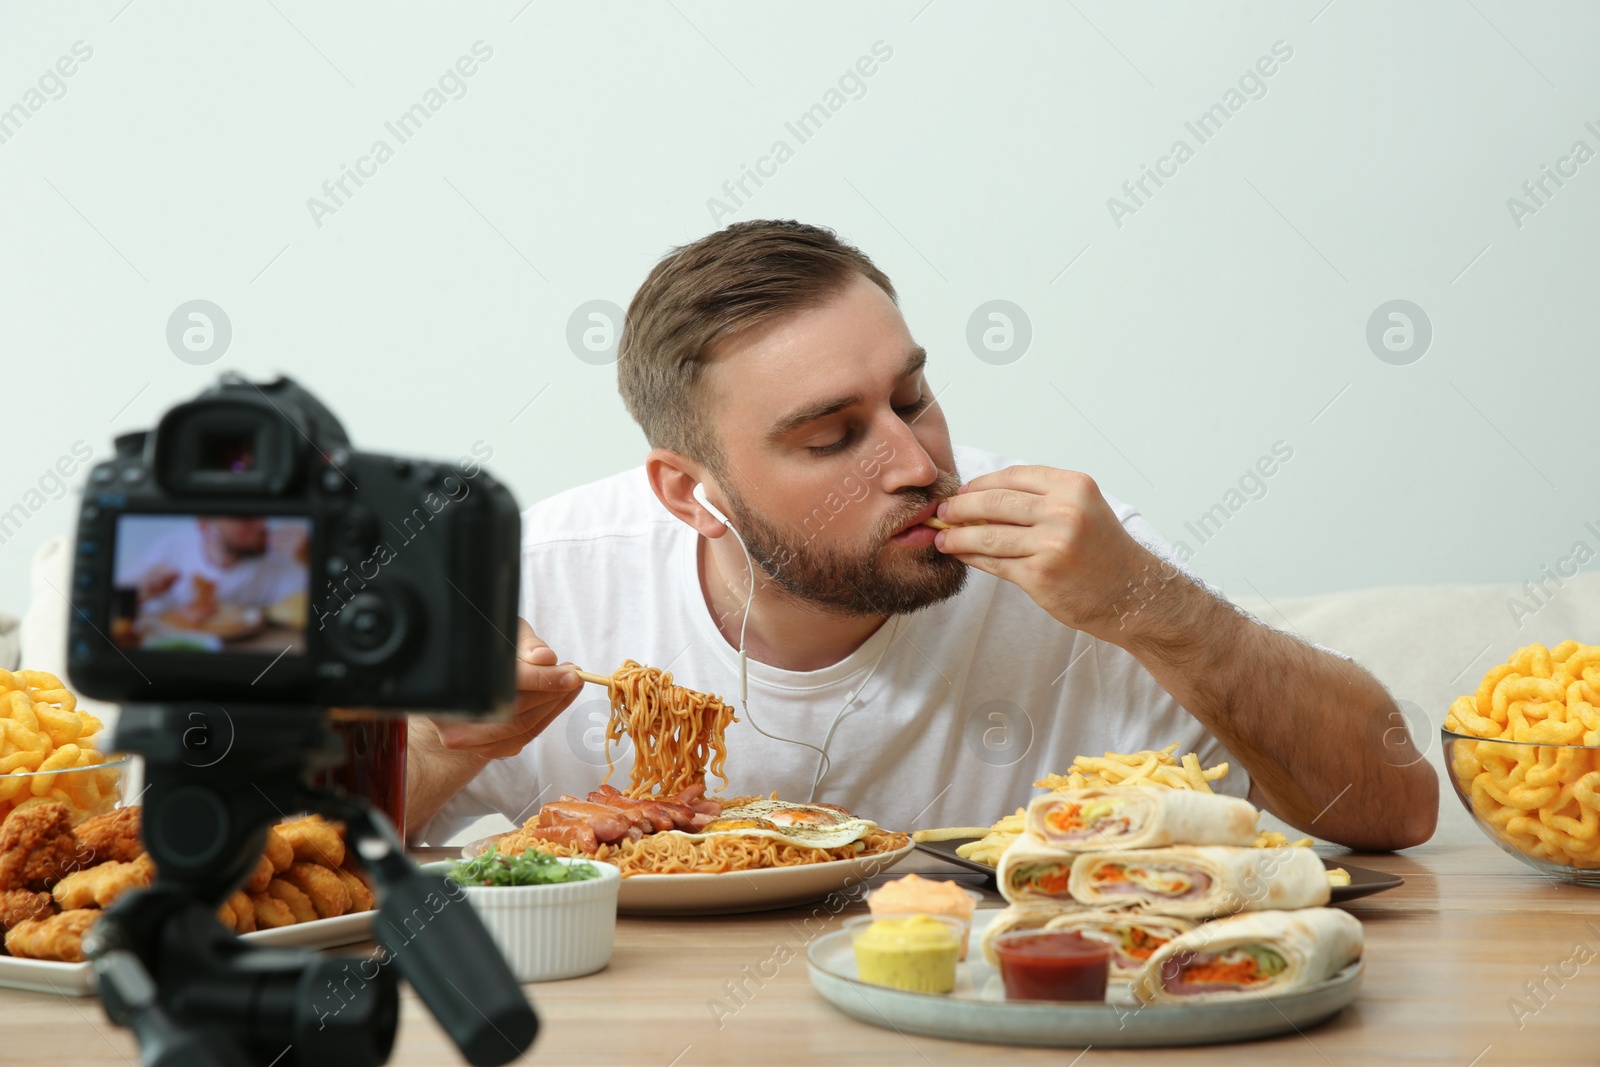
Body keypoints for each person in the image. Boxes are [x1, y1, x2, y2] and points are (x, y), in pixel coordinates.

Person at [408, 220, 1438, 850]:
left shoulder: (1076, 556)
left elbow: (1393, 806)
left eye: (913, 396)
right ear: (690, 494)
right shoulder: (537, 583)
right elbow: (284, 874)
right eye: (831, 435)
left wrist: (1157, 608)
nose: (914, 461)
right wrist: (448, 749)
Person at [128, 517, 307, 620]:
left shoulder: (282, 557)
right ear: (206, 526)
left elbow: (319, 613)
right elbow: (119, 603)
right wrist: (139, 594)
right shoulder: (173, 547)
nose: (262, 524)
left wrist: (312, 560)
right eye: (245, 517)